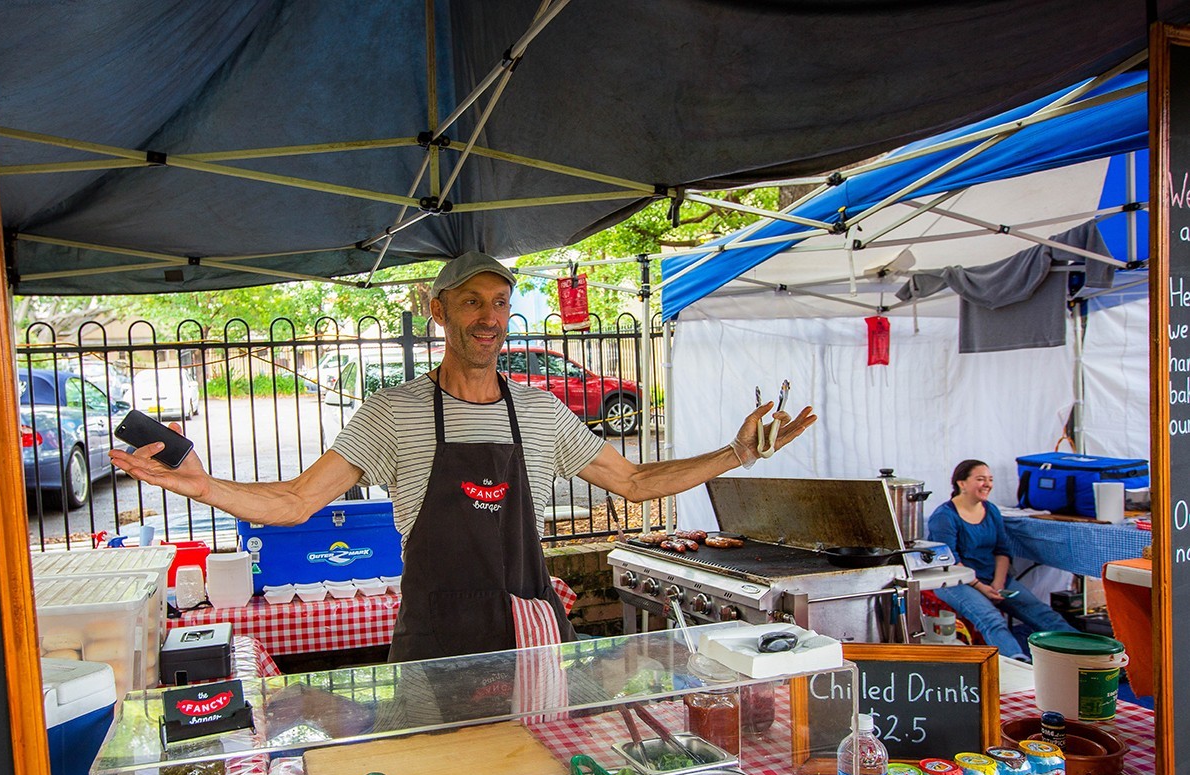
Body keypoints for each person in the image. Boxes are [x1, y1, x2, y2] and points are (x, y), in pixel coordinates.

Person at [111, 251, 816, 662]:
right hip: (433, 645)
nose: (489, 316)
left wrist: (733, 452)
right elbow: (296, 502)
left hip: (531, 640)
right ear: (438, 310)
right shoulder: (393, 411)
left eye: (501, 302)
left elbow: (633, 481)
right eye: (472, 301)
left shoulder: (540, 412)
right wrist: (201, 485)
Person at [927, 459, 1078, 661]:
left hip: (992, 578)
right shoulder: (944, 516)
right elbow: (950, 561)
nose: (987, 484)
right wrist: (981, 587)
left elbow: (1002, 551)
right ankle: (1018, 663)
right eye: (980, 479)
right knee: (992, 620)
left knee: (1042, 613)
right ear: (961, 483)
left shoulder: (991, 511)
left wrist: (998, 583)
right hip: (955, 581)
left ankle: (1087, 655)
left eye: (990, 479)